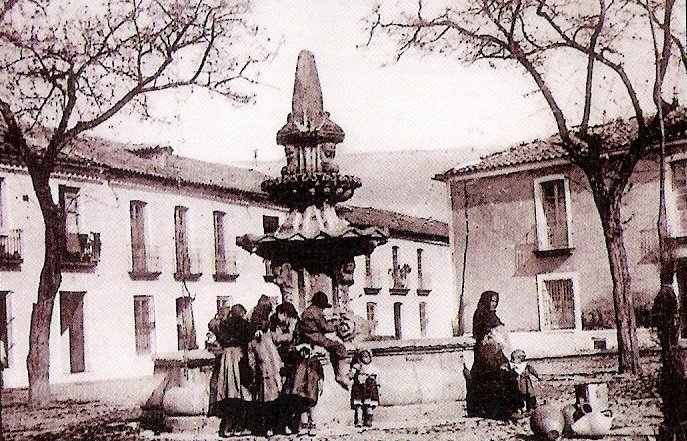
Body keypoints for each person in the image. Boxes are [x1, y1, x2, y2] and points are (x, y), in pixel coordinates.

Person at [466, 290, 520, 420]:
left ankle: (509, 408)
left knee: (508, 372)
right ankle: (497, 410)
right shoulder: (480, 315)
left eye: (495, 301)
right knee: (495, 376)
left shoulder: (493, 316)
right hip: (484, 354)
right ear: (485, 301)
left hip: (495, 351)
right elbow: (481, 335)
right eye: (491, 301)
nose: (493, 304)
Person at [215, 304, 253, 437]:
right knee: (242, 393)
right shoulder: (244, 325)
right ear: (242, 313)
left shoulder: (224, 324)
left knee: (229, 393)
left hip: (227, 358)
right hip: (239, 356)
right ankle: (239, 427)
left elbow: (218, 334)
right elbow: (249, 340)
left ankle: (227, 427)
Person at [298, 291, 350, 389]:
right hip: (315, 337)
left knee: (333, 347)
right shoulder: (316, 311)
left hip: (308, 336)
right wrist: (336, 325)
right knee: (339, 347)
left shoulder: (307, 311)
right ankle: (340, 374)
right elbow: (325, 327)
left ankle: (338, 373)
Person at [247, 311, 283, 436]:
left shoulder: (254, 342)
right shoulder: (267, 338)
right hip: (271, 374)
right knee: (273, 402)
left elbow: (251, 364)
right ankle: (274, 427)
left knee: (268, 403)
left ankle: (271, 427)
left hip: (268, 374)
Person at [350, 349, 380, 427]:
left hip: (370, 388)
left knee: (369, 405)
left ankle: (368, 419)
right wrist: (351, 374)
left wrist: (378, 386)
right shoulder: (358, 366)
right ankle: (359, 420)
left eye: (367, 357)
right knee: (358, 405)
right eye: (364, 357)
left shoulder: (372, 367)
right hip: (360, 387)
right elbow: (352, 373)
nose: (366, 359)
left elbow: (377, 377)